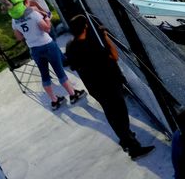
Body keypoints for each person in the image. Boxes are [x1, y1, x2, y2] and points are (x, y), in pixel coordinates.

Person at [64, 15, 154, 160]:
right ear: (85, 26)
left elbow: (73, 65)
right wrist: (105, 37)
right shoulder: (91, 46)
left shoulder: (70, 46)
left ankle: (126, 139)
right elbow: (114, 55)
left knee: (111, 115)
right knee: (121, 116)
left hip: (95, 87)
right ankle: (133, 147)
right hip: (109, 84)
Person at [8, 0, 84, 109]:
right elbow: (47, 28)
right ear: (24, 3)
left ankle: (54, 101)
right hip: (47, 45)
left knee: (45, 75)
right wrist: (47, 18)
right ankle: (73, 95)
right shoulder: (33, 14)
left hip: (34, 49)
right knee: (59, 72)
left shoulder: (14, 20)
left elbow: (19, 37)